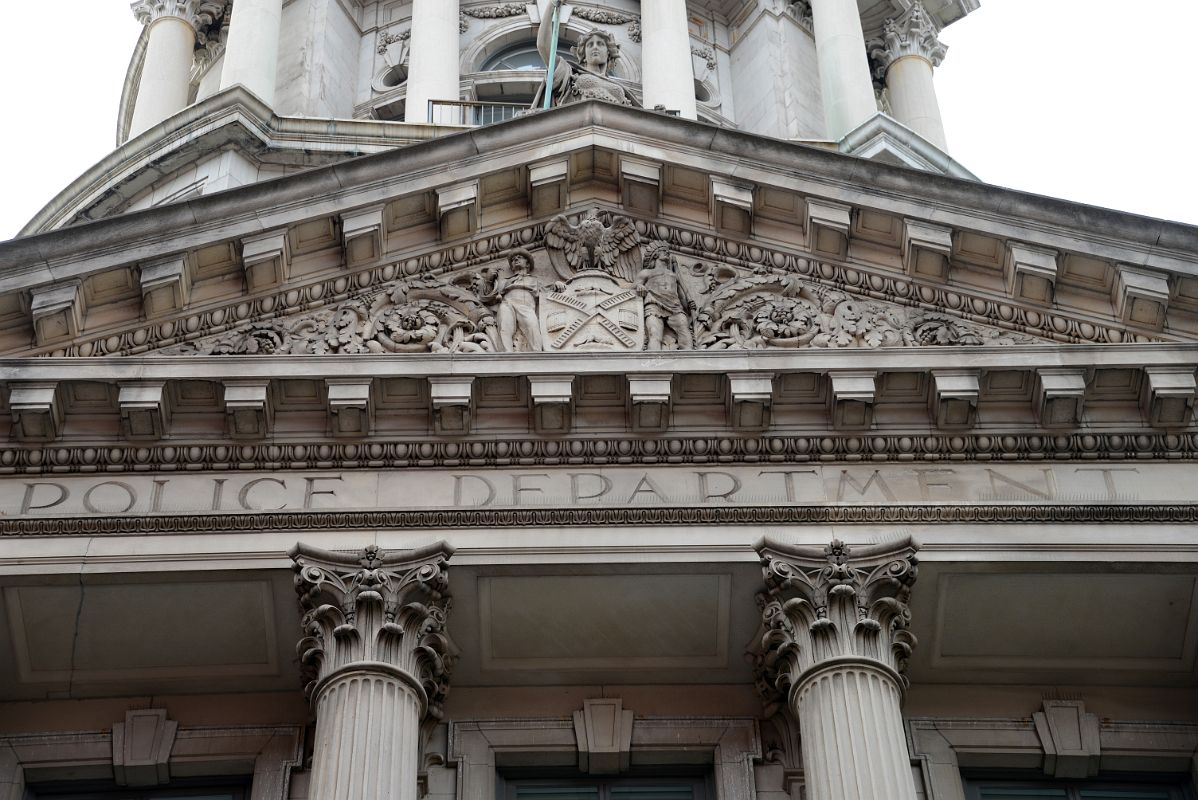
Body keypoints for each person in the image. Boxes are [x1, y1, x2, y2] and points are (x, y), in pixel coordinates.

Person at [535, 2, 635, 108]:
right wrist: (551, 5)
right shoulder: (570, 75)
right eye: (590, 45)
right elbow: (543, 45)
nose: (595, 47)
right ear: (584, 55)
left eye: (600, 44)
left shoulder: (620, 88)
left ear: (608, 53)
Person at [482, 249, 554, 352]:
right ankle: (506, 354)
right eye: (513, 259)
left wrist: (556, 285)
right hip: (507, 303)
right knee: (504, 326)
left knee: (532, 326)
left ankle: (536, 353)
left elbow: (546, 291)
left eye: (520, 257)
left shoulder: (534, 280)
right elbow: (488, 297)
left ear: (527, 264)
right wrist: (489, 280)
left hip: (525, 304)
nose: (516, 259)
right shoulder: (505, 281)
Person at [635, 242, 695, 350]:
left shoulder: (673, 275)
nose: (667, 252)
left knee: (684, 330)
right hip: (654, 303)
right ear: (655, 254)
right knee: (654, 333)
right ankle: (653, 362)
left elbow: (681, 295)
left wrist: (688, 306)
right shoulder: (647, 273)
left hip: (675, 306)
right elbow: (632, 286)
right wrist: (639, 286)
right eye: (664, 251)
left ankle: (688, 360)